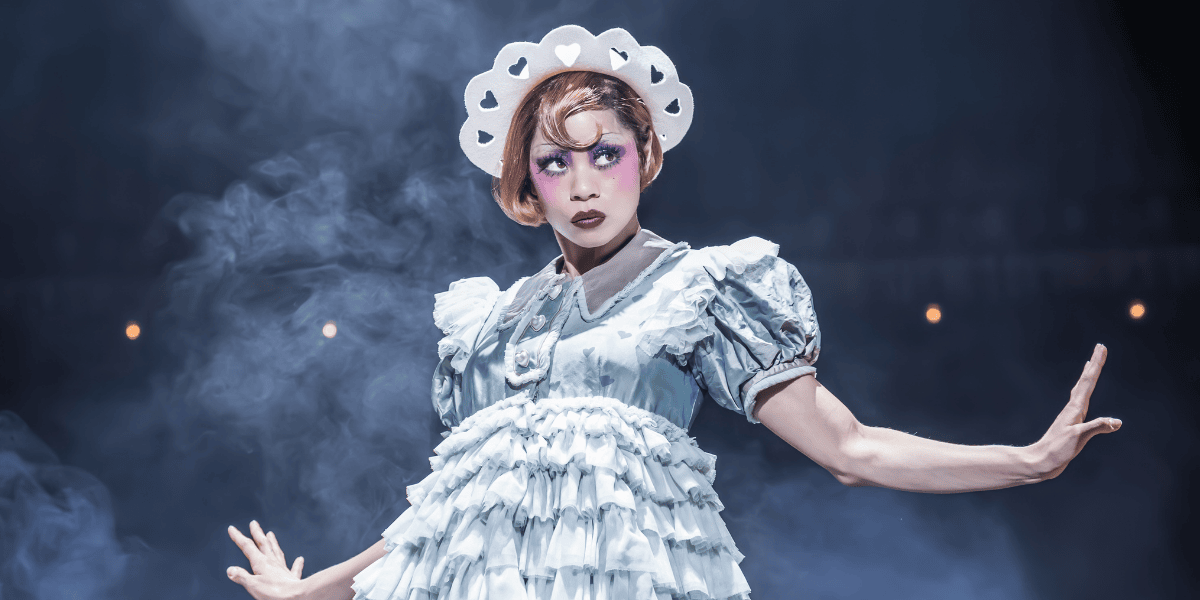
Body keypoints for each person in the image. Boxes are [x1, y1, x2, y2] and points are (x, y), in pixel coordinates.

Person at [225, 25, 1121, 600]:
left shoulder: (698, 290)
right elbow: (449, 529)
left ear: (645, 155)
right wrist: (315, 592)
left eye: (604, 154)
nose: (582, 185)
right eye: (555, 163)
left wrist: (1025, 463)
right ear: (527, 182)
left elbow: (849, 449)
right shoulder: (492, 328)